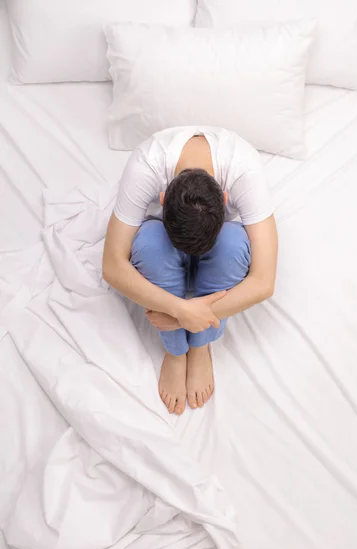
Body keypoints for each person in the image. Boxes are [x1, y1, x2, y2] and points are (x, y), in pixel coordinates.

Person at [102, 126, 278, 416]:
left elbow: (264, 281)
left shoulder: (245, 170)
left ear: (223, 199)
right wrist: (180, 311)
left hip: (214, 240)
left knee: (234, 243)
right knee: (148, 243)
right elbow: (111, 266)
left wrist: (188, 317)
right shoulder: (146, 165)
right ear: (161, 199)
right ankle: (176, 351)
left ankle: (199, 346)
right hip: (168, 242)